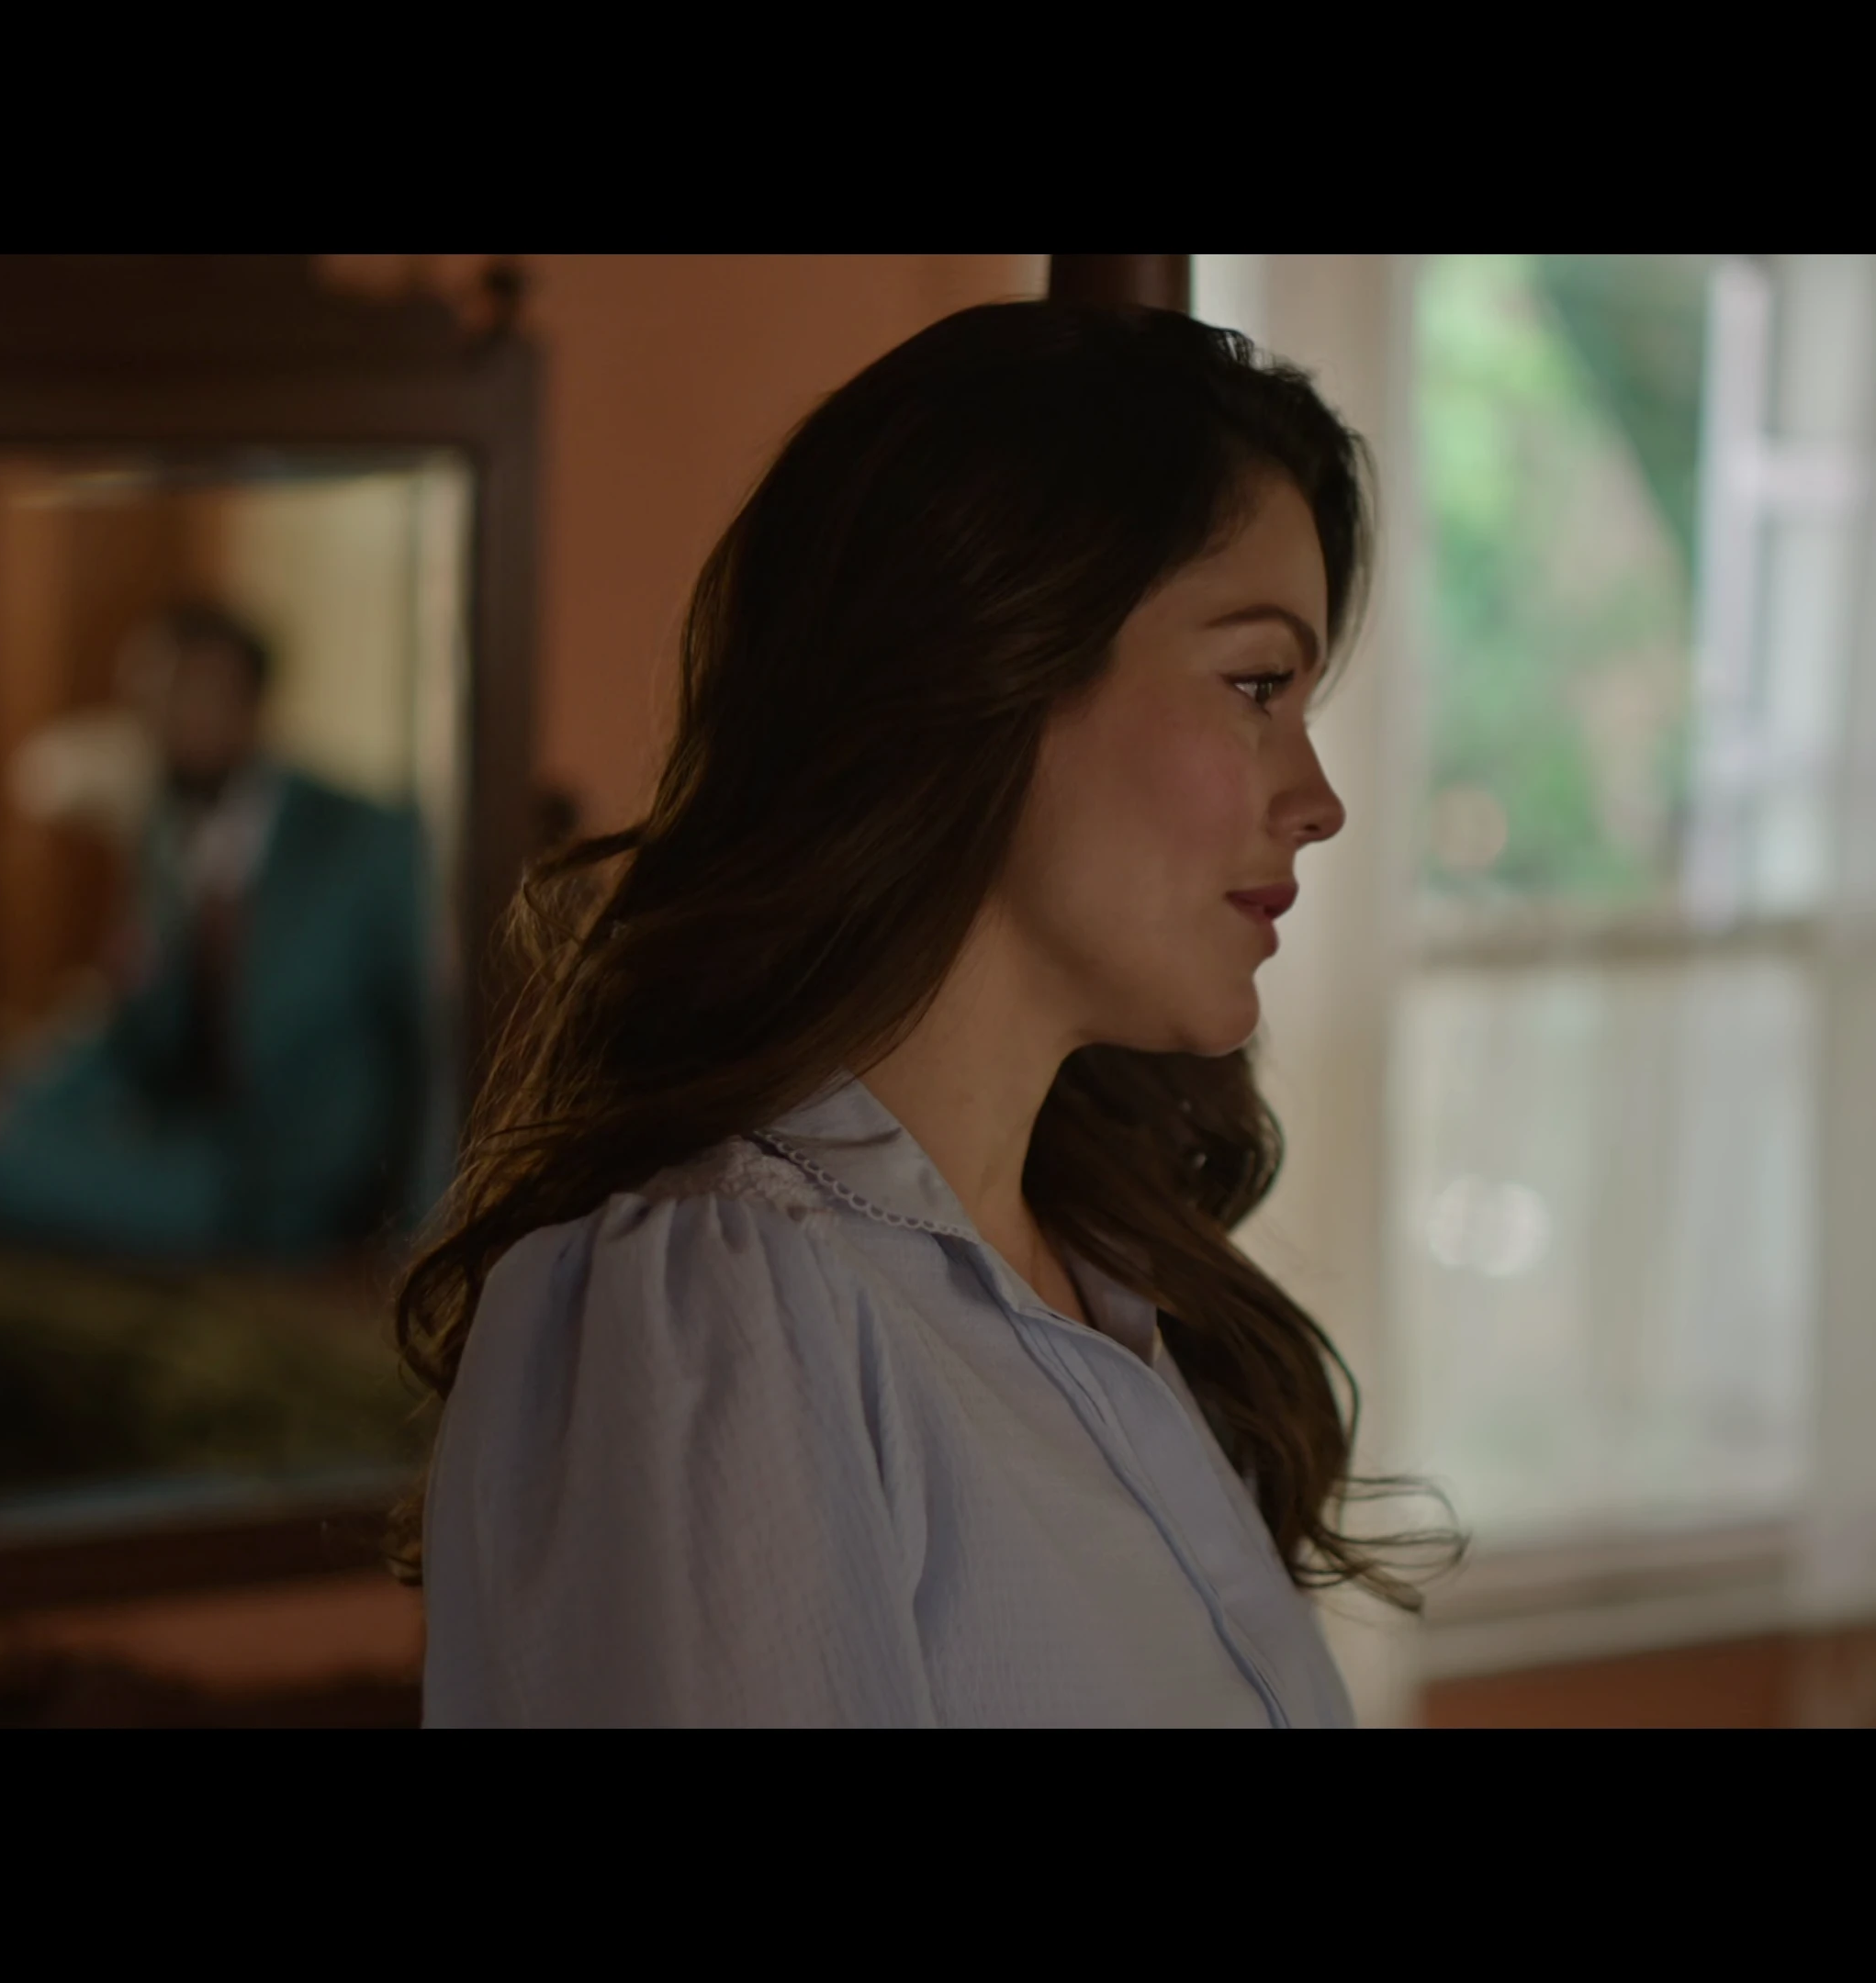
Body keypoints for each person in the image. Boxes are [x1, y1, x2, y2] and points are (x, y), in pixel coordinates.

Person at [401, 301, 1443, 1727]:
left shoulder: (1119, 1297)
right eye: (1257, 684)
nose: (1318, 802)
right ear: (989, 663)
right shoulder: (726, 1312)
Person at [0, 605, 434, 1263]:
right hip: (192, 1139)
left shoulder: (361, 837)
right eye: (150, 701)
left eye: (191, 696)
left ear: (251, 705)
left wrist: (423, 1220)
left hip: (297, 1170)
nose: (167, 722)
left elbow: (425, 1034)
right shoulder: (165, 833)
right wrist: (5, 1105)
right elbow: (131, 1018)